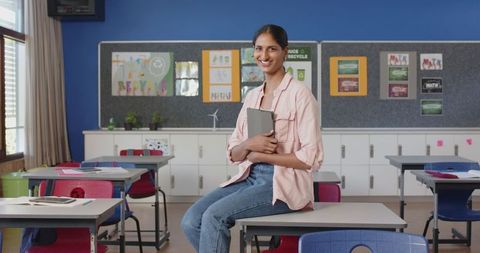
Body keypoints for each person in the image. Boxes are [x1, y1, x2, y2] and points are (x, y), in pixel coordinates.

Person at [181, 24, 323, 253]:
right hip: (250, 177)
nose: (264, 56)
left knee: (214, 217)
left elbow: (310, 158)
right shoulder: (252, 96)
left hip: (282, 185)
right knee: (190, 221)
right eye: (259, 48)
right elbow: (233, 152)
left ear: (285, 51)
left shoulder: (300, 94)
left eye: (272, 49)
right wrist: (248, 145)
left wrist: (259, 155)